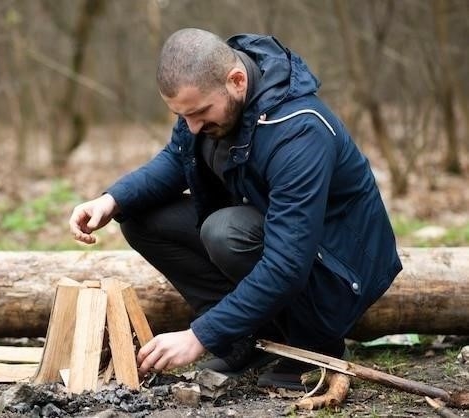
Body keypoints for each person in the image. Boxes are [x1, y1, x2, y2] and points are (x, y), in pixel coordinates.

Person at [69, 28, 402, 390]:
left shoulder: (299, 131)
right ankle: (246, 337)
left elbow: (288, 264)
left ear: (237, 80)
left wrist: (198, 336)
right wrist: (111, 199)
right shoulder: (214, 98)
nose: (192, 127)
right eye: (183, 117)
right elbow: (176, 160)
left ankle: (313, 347)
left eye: (198, 113)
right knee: (138, 215)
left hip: (337, 274)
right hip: (281, 240)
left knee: (226, 231)